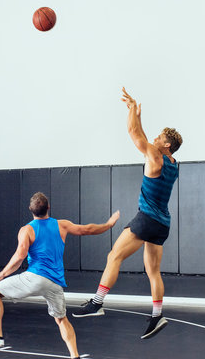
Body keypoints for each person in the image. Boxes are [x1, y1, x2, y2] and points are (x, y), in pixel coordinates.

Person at [73, 88, 183, 340]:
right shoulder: (174, 164)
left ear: (166, 145)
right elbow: (143, 134)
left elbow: (134, 134)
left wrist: (132, 109)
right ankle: (157, 316)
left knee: (114, 255)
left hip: (146, 219)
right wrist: (138, 115)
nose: (155, 138)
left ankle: (97, 304)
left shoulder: (155, 156)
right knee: (153, 271)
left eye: (160, 137)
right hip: (162, 224)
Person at [0, 192, 120, 359]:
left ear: (31, 210)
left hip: (35, 277)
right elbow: (88, 230)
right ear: (48, 207)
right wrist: (109, 224)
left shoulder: (26, 229)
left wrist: (2, 274)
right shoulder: (62, 225)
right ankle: (74, 356)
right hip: (55, 283)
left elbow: (20, 256)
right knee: (61, 320)